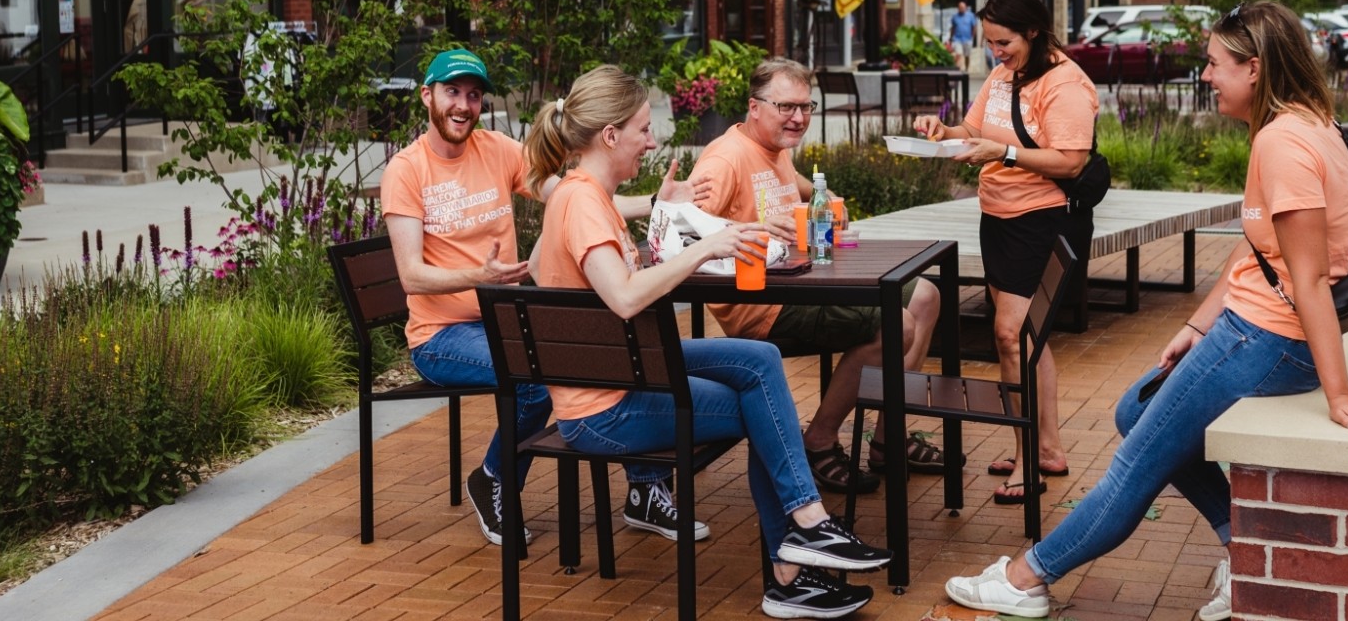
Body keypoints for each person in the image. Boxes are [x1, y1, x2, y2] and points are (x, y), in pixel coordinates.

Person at [938, 2, 1348, 620]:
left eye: (1215, 64)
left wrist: (1340, 395)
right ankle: (1241, 544)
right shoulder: (1303, 122)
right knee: (1135, 411)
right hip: (1250, 326)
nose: (1207, 76)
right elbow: (1259, 246)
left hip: (1268, 338)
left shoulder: (1284, 143)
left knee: (1135, 464)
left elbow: (1312, 279)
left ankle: (1027, 578)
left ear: (1255, 68)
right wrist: (1197, 324)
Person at [525, 65, 894, 620]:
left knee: (759, 361)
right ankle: (795, 560)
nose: (652, 141)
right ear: (610, 136)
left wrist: (668, 212)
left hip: (623, 373)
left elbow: (540, 266)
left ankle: (803, 542)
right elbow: (625, 298)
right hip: (603, 408)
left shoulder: (584, 197)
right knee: (761, 407)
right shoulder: (582, 202)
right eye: (644, 130)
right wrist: (706, 245)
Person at [381, 49, 708, 552]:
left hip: (504, 323)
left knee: (610, 351)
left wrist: (660, 202)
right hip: (442, 336)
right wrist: (481, 277)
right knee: (535, 378)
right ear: (428, 96)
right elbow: (411, 276)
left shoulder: (498, 150)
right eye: (452, 92)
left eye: (473, 94)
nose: (463, 104)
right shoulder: (405, 171)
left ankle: (644, 488)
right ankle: (494, 479)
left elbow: (583, 193)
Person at [689, 57, 946, 494]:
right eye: (786, 107)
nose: (799, 117)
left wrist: (824, 195)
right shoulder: (725, 160)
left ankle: (887, 438)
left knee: (926, 295)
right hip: (759, 303)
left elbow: (789, 181)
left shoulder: (772, 148)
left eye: (806, 107)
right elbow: (682, 228)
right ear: (754, 107)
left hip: (801, 283)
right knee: (894, 324)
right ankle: (820, 440)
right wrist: (749, 229)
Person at [912, 0, 1096, 504]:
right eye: (991, 43)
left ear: (1033, 32)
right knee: (1027, 338)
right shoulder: (1002, 75)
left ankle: (1026, 457)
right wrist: (941, 130)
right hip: (998, 217)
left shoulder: (1064, 83)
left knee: (1011, 336)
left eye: (1004, 41)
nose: (997, 51)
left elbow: (1071, 161)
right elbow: (974, 129)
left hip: (1042, 220)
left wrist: (1006, 154)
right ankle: (1048, 448)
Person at [950, 0, 981, 70]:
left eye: (963, 7)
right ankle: (956, 69)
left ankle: (966, 69)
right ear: (958, 8)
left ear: (966, 8)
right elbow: (953, 28)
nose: (962, 9)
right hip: (957, 39)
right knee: (959, 53)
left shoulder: (971, 16)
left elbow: (974, 27)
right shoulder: (955, 17)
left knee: (967, 55)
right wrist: (951, 38)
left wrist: (972, 36)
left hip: (967, 39)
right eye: (960, 7)